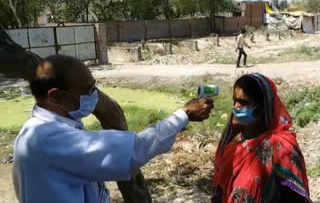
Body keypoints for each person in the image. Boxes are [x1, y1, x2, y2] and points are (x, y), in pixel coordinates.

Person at [12, 54, 214, 203]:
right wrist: (184, 115)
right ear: (56, 97)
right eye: (88, 90)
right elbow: (136, 150)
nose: (94, 96)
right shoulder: (48, 139)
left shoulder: (39, 131)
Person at [211, 73, 312, 203]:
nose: (236, 106)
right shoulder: (233, 142)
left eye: (244, 102)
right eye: (234, 100)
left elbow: (295, 198)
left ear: (262, 107)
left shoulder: (280, 147)